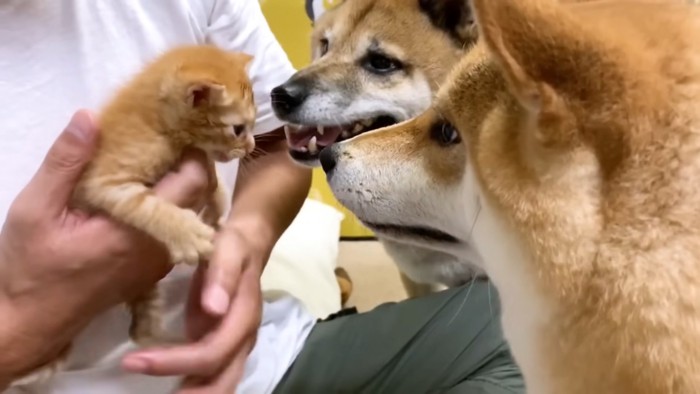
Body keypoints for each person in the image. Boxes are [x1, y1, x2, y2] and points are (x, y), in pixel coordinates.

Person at [0, 1, 525, 393]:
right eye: (323, 47)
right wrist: (28, 328)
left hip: (258, 362)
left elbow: (273, 141)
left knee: (557, 326)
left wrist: (245, 247)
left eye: (379, 64)